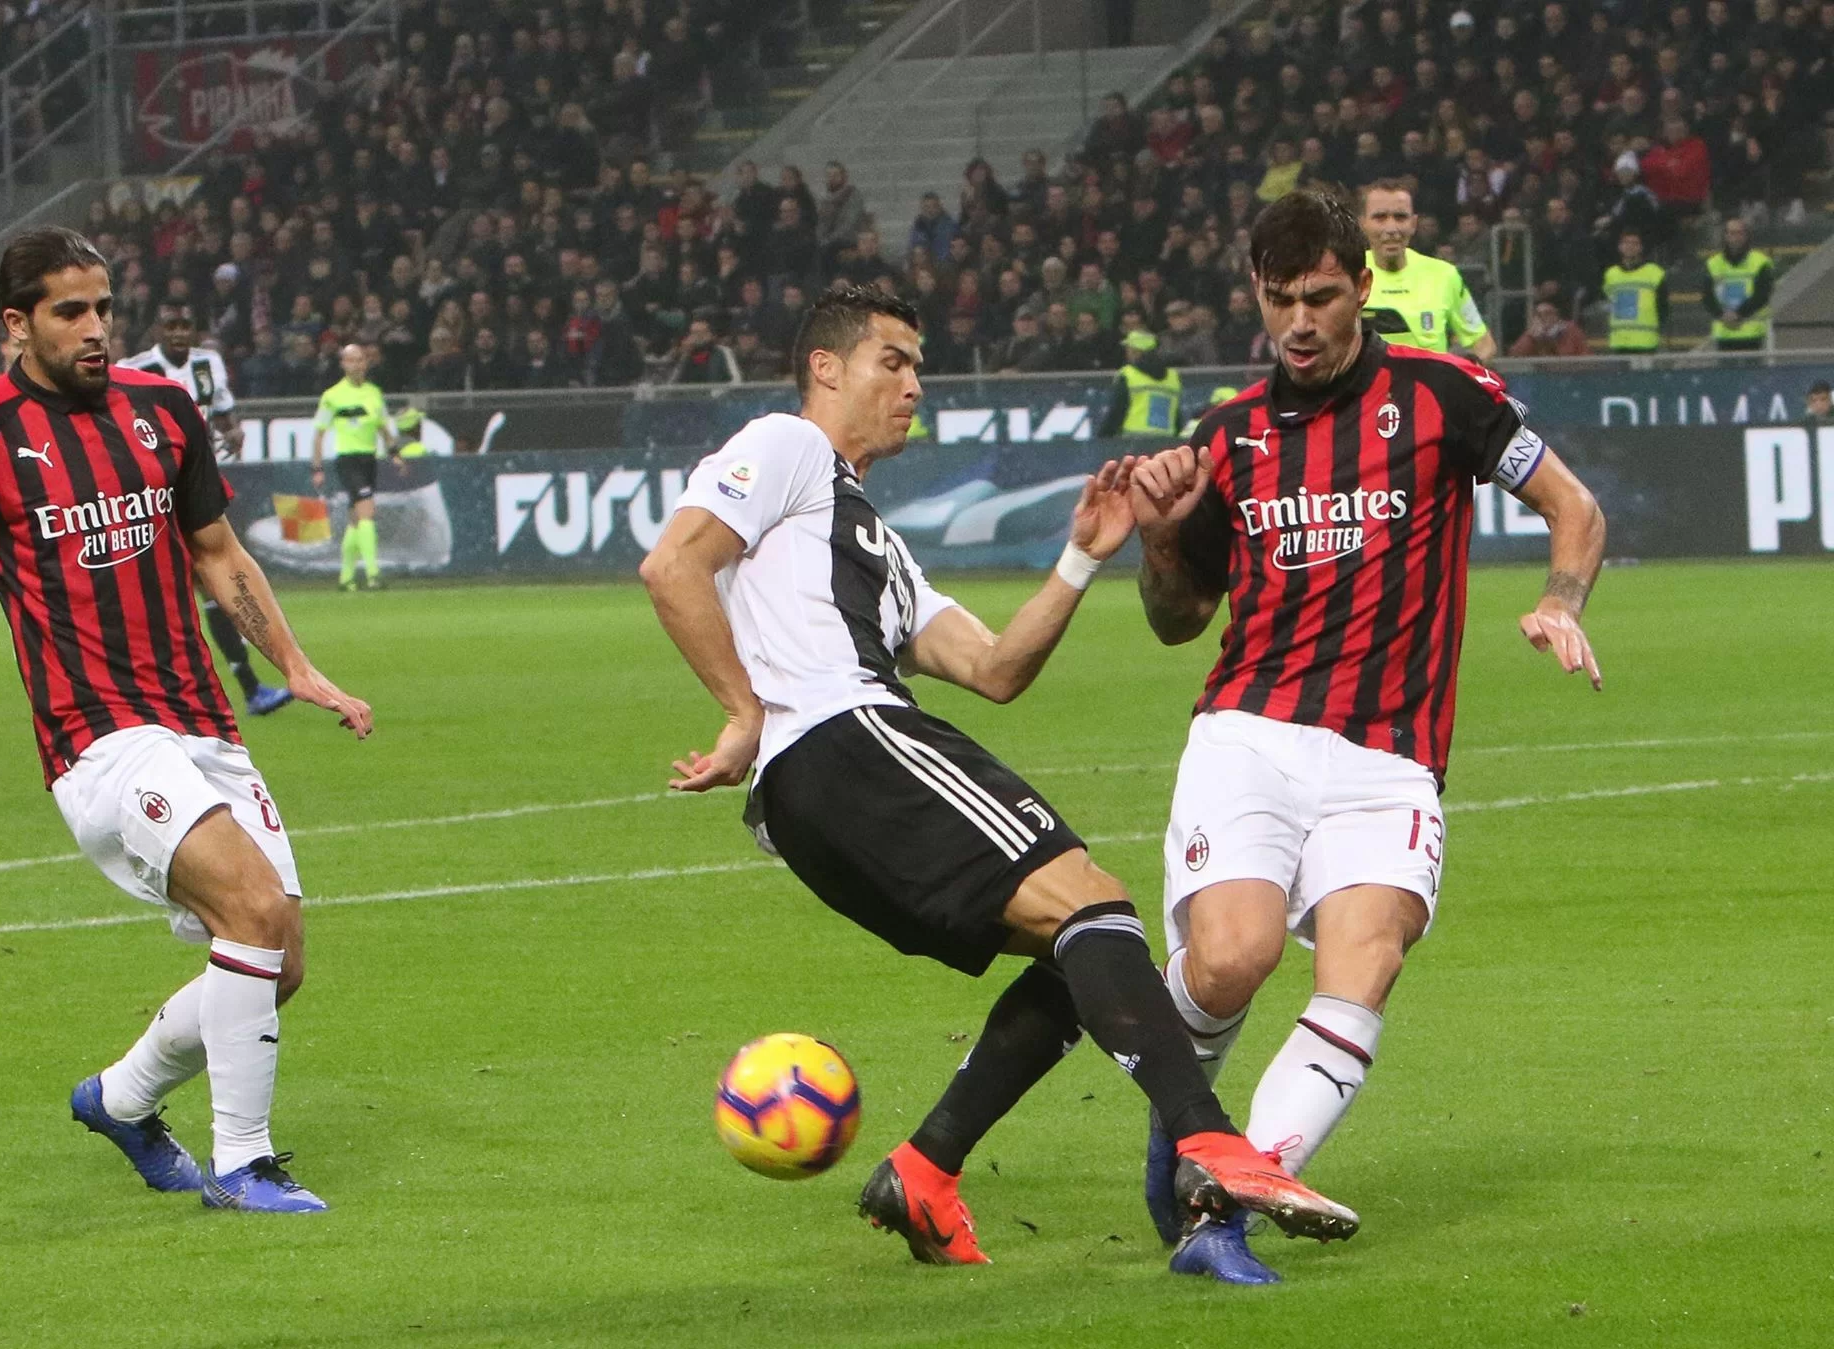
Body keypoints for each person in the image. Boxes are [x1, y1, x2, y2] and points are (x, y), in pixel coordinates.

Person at [639, 284, 1359, 1272]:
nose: (912, 383)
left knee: (1075, 947)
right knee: (1094, 906)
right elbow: (673, 563)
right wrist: (742, 711)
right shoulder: (785, 444)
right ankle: (1212, 1143)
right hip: (848, 741)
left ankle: (926, 1170)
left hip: (825, 788)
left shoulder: (871, 544)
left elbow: (993, 668)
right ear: (824, 368)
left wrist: (1078, 555)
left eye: (916, 364)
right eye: (891, 360)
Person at [1129, 190, 1605, 1283]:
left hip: (1389, 753)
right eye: (1276, 298)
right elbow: (1174, 618)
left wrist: (1562, 601)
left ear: (1360, 286)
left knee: (1364, 961)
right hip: (1249, 729)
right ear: (1255, 295)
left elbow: (1572, 508)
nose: (1297, 320)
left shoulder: (1444, 397)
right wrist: (1159, 539)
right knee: (1232, 956)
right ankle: (1185, 1123)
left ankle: (1231, 1191)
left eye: (1320, 296)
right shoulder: (1229, 433)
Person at [0, 226, 373, 1213]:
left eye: (104, 306)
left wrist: (299, 667)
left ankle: (121, 1096)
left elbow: (220, 553)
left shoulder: (162, 409)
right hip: (96, 737)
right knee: (254, 912)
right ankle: (244, 1162)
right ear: (17, 322)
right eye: (70, 311)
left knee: (278, 964)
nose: (96, 328)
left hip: (199, 718)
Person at [125, 301, 292, 716]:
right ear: (159, 330)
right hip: (158, 487)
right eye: (172, 325)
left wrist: (231, 429)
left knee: (211, 581)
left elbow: (221, 409)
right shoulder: (137, 369)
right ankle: (243, 687)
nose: (180, 332)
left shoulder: (208, 364)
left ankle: (244, 687)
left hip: (198, 480)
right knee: (200, 584)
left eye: (186, 324)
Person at [1358, 180, 1496, 360]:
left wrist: (1463, 379)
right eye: (1380, 217)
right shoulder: (1348, 275)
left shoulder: (1444, 275)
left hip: (1428, 387)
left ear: (1413, 223)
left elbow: (1483, 343)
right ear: (1363, 224)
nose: (1391, 228)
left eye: (1400, 217)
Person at [310, 343, 401, 591]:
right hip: (348, 460)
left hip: (369, 459)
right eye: (351, 360)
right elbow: (319, 433)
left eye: (360, 360)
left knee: (355, 519)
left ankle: (346, 577)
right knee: (367, 511)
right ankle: (373, 573)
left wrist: (395, 453)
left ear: (366, 363)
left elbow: (382, 425)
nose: (356, 364)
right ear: (343, 364)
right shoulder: (333, 396)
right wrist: (316, 467)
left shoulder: (374, 393)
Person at [1703, 217, 1774, 352]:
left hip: (1752, 334)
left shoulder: (1760, 262)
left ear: (1746, 236)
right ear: (1725, 236)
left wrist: (1739, 314)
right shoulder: (1713, 264)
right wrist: (1721, 315)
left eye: (1739, 233)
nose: (1735, 237)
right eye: (1731, 233)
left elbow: (1762, 295)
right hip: (1724, 334)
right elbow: (1707, 297)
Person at [1097, 330, 1182, 437]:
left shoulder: (1128, 374)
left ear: (1136, 351)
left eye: (1128, 349)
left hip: (1133, 441)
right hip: (1165, 442)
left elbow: (1117, 411)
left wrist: (1104, 437)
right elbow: (1177, 416)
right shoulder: (1173, 377)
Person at [1602, 230, 1667, 354]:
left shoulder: (1654, 272)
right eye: (1626, 243)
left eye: (1634, 243)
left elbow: (1663, 306)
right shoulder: (1611, 274)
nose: (1630, 246)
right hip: (1619, 341)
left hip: (1646, 341)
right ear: (1619, 247)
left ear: (1641, 247)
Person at [1507, 297, 1591, 357]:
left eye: (1548, 313)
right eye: (1539, 315)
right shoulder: (1532, 334)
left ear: (1556, 315)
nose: (1544, 318)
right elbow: (1515, 355)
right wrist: (1531, 338)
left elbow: (1586, 358)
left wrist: (1553, 342)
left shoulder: (1571, 330)